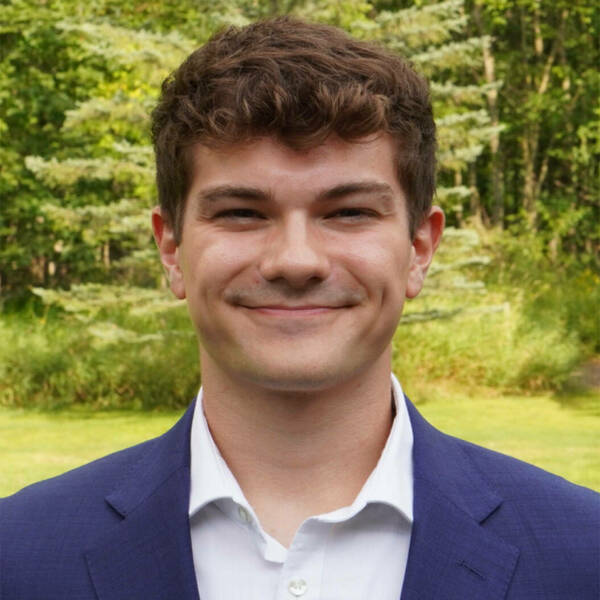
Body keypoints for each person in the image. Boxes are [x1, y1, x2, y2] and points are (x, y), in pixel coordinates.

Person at [0, 16, 598, 600]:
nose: (295, 261)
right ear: (172, 250)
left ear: (419, 248)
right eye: (241, 212)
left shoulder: (582, 553)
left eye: (348, 212)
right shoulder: (17, 555)